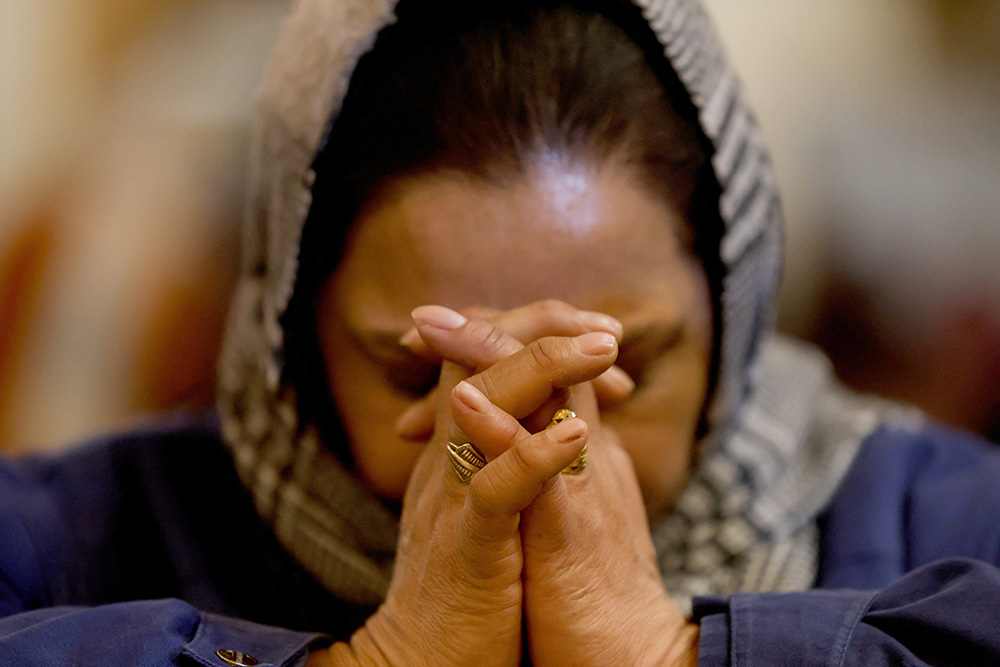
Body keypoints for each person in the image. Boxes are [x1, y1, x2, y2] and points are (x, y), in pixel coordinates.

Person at [1, 0, 999, 665]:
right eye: (426, 371)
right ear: (295, 344)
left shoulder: (947, 518)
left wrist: (671, 653)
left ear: (732, 316)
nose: (517, 447)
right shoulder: (72, 537)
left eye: (623, 367)